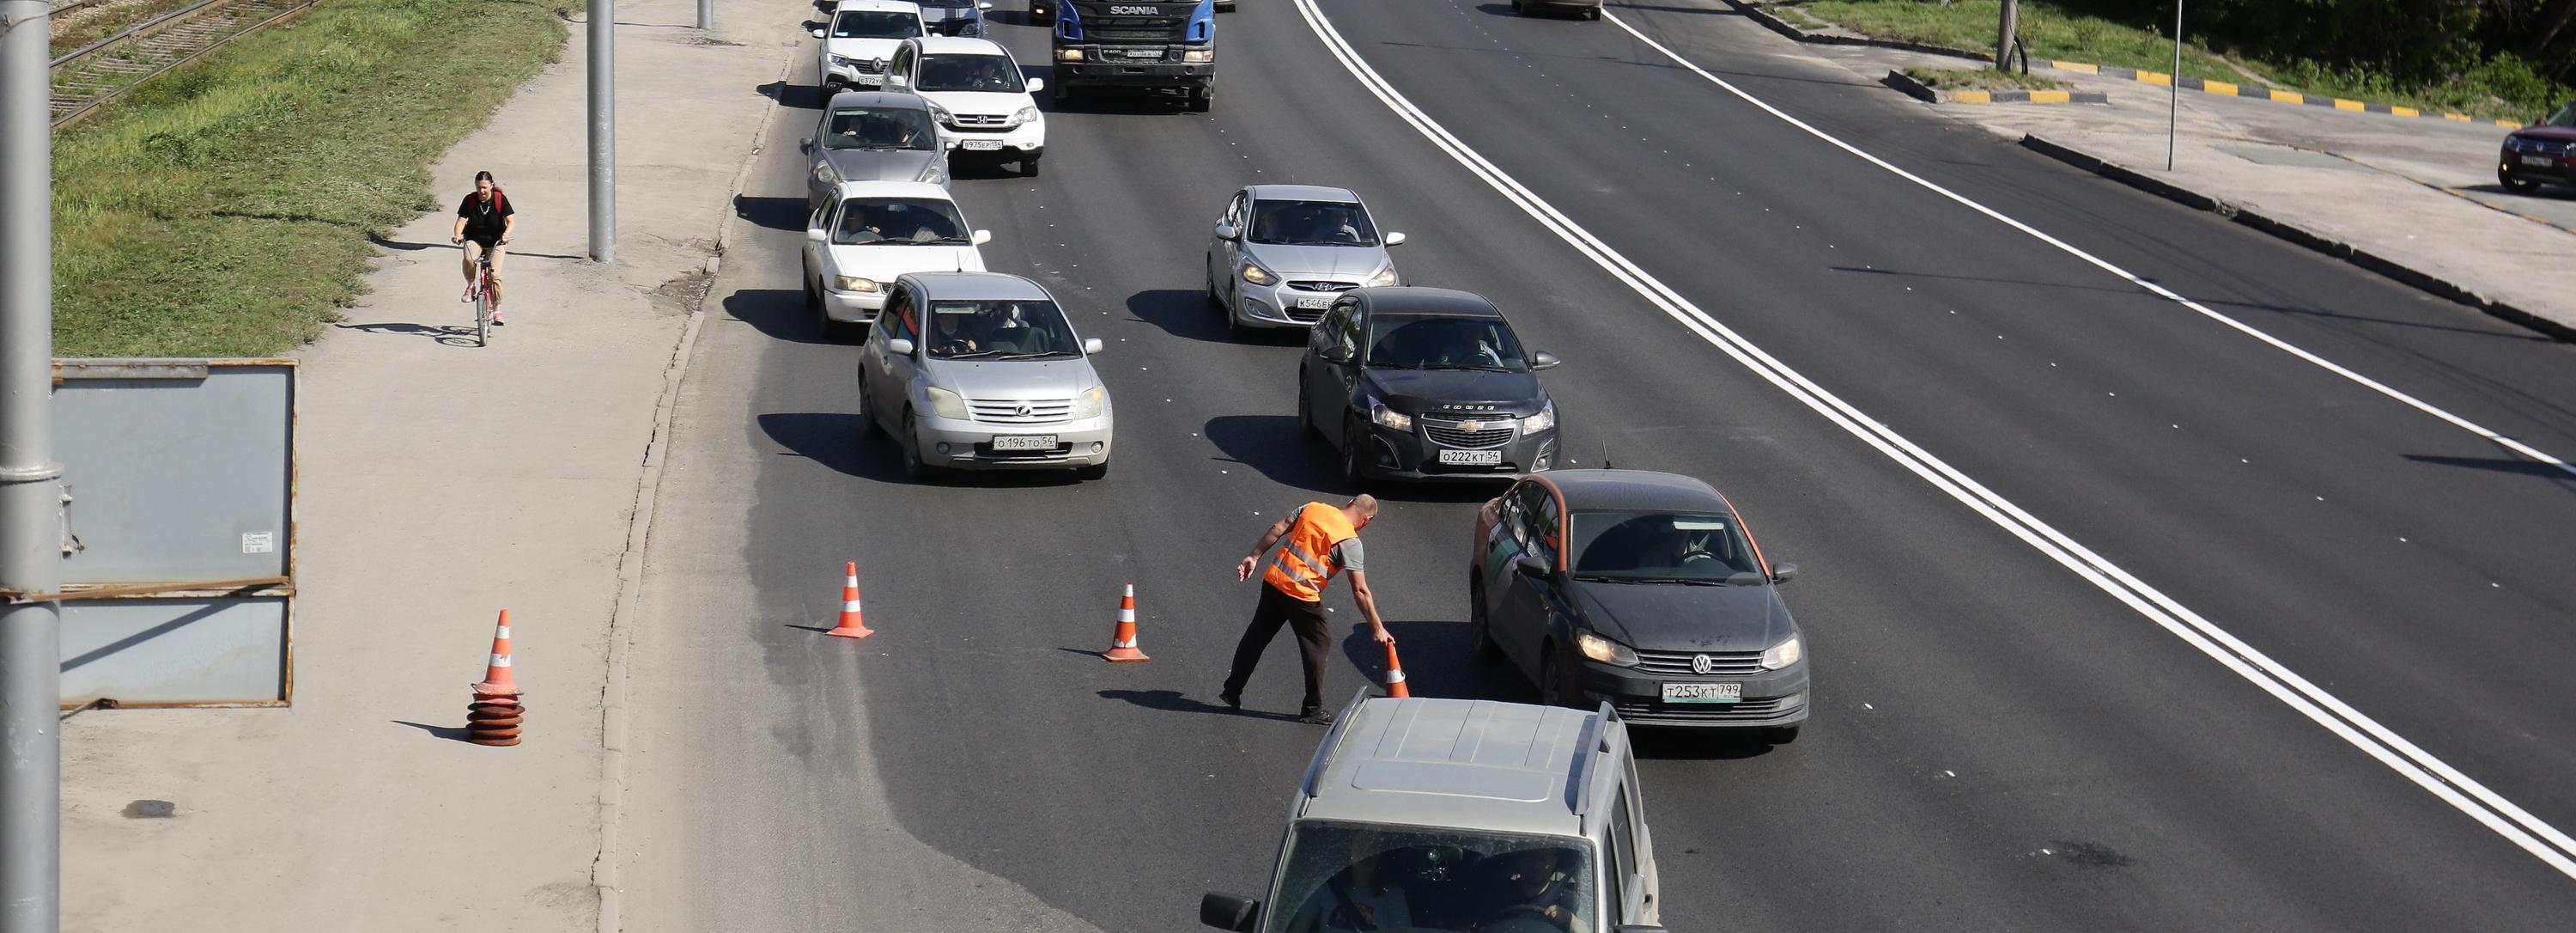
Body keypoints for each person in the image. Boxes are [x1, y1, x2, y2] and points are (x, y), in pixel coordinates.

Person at [1223, 496, 1394, 724]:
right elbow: (1360, 590)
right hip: (1302, 596)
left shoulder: (1313, 508)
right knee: (1318, 646)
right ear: (1367, 520)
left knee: (1257, 636)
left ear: (1350, 503)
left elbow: (1279, 527)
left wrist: (1254, 556)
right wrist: (1376, 627)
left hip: (1275, 581)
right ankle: (1312, 709)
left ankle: (1232, 689)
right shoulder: (1350, 542)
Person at [1288, 837, 1415, 931]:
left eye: (1373, 848)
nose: (1368, 854)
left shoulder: (1392, 894)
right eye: (1362, 847)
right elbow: (1298, 928)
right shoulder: (1324, 886)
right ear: (1349, 852)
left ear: (1381, 854)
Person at [449, 171, 517, 320]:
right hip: (475, 239)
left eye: (485, 187)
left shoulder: (499, 199)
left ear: (491, 185)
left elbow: (511, 220)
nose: (482, 191)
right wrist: (458, 235)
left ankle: (497, 309)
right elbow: (461, 221)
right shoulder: (470, 200)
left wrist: (506, 234)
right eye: (479, 187)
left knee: (494, 275)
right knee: (469, 259)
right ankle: (471, 285)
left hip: (496, 242)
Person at [1473, 848, 1588, 933]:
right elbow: (1479, 928)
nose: (1536, 865)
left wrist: (1571, 919)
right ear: (1519, 860)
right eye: (1530, 858)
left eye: (1543, 859)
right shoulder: (1497, 895)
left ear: (1553, 862)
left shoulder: (1570, 901)